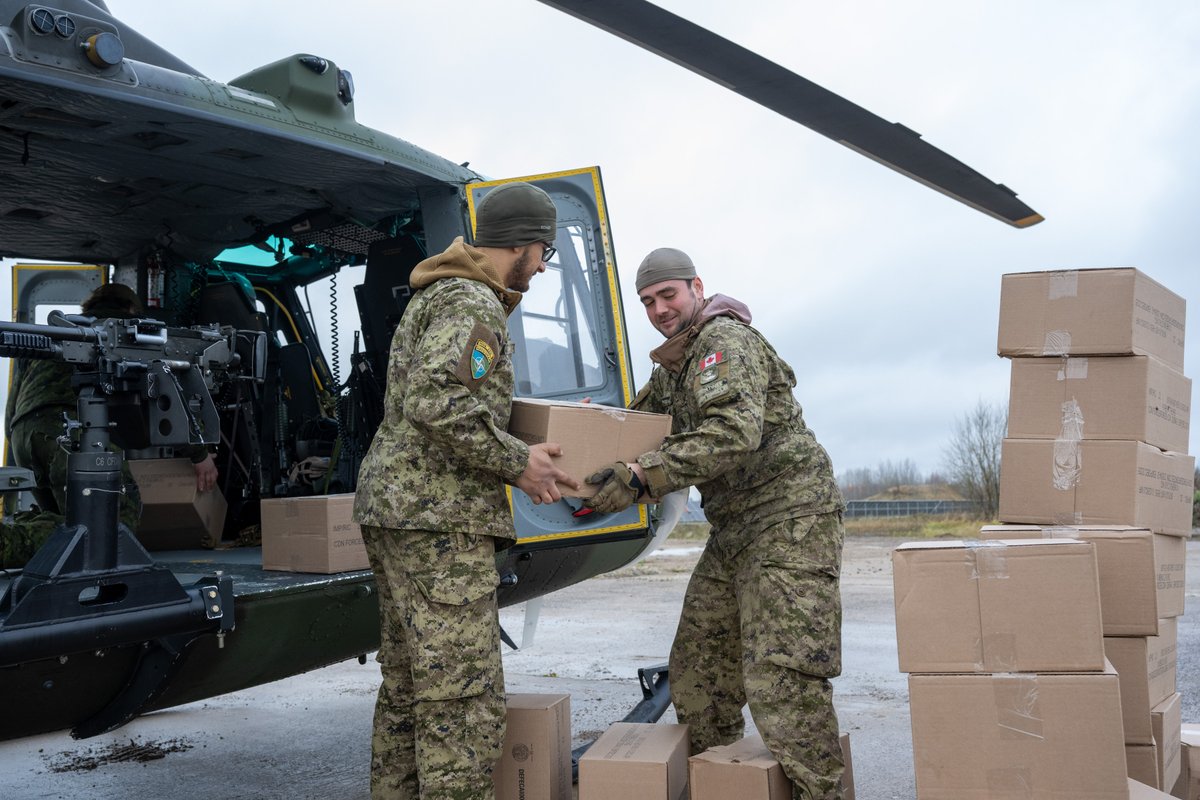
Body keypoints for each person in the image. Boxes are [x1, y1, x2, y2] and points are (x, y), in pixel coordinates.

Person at [585, 247, 847, 799]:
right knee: (699, 670)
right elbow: (638, 427)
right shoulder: (676, 366)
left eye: (668, 294)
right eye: (648, 301)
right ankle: (722, 786)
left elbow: (731, 434)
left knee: (784, 677)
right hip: (734, 530)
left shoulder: (722, 344)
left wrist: (640, 475)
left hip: (789, 518)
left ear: (696, 287)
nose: (659, 308)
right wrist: (590, 434)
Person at [352, 182, 578, 800]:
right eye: (545, 255)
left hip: (399, 509)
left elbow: (441, 397)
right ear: (528, 246)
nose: (540, 267)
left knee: (407, 687)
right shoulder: (473, 302)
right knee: (462, 701)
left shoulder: (444, 292)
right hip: (437, 522)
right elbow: (439, 401)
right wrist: (518, 463)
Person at [3, 282, 218, 561]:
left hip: (24, 434)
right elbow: (167, 391)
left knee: (65, 526)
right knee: (109, 529)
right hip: (69, 430)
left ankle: (15, 532)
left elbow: (11, 411)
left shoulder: (64, 331)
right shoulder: (128, 330)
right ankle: (6, 543)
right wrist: (199, 454)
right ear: (129, 307)